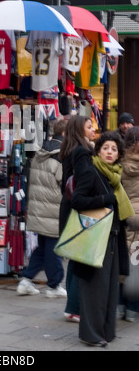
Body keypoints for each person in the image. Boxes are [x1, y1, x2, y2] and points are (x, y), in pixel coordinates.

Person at [71, 132, 132, 347]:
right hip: (95, 238)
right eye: (106, 148)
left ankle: (106, 332)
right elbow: (77, 200)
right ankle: (92, 335)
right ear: (98, 150)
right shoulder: (92, 171)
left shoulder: (115, 175)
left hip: (113, 238)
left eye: (114, 149)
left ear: (118, 154)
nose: (109, 152)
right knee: (94, 290)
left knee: (109, 289)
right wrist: (105, 199)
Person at [17, 119, 67, 298]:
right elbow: (65, 183)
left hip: (39, 208)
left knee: (44, 246)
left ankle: (26, 280)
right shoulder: (60, 155)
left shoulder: (41, 152)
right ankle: (54, 285)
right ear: (65, 135)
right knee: (54, 247)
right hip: (53, 210)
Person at [58, 115, 96, 322]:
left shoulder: (69, 150)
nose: (93, 130)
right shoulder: (82, 152)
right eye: (89, 127)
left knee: (76, 260)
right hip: (79, 211)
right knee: (80, 260)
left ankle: (72, 307)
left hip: (70, 208)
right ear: (79, 130)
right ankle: (74, 308)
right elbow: (83, 184)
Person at [119, 126, 139, 321]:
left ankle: (119, 306)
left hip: (125, 218)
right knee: (137, 265)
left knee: (123, 265)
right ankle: (133, 310)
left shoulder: (120, 164)